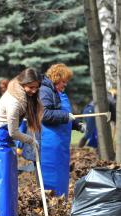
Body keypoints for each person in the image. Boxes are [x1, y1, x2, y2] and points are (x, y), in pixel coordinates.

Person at [0, 68, 42, 216]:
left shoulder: (22, 96)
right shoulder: (14, 102)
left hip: (6, 140)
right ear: (23, 84)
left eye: (36, 87)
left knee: (9, 180)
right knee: (2, 180)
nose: (34, 90)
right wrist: (30, 140)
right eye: (31, 87)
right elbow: (13, 132)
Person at [39, 63, 85, 198]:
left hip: (62, 143)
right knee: (52, 177)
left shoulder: (59, 92)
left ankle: (61, 201)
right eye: (63, 82)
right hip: (50, 144)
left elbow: (64, 113)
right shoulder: (45, 91)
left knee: (62, 176)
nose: (65, 85)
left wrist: (77, 125)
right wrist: (65, 116)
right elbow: (44, 115)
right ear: (56, 78)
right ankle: (51, 203)